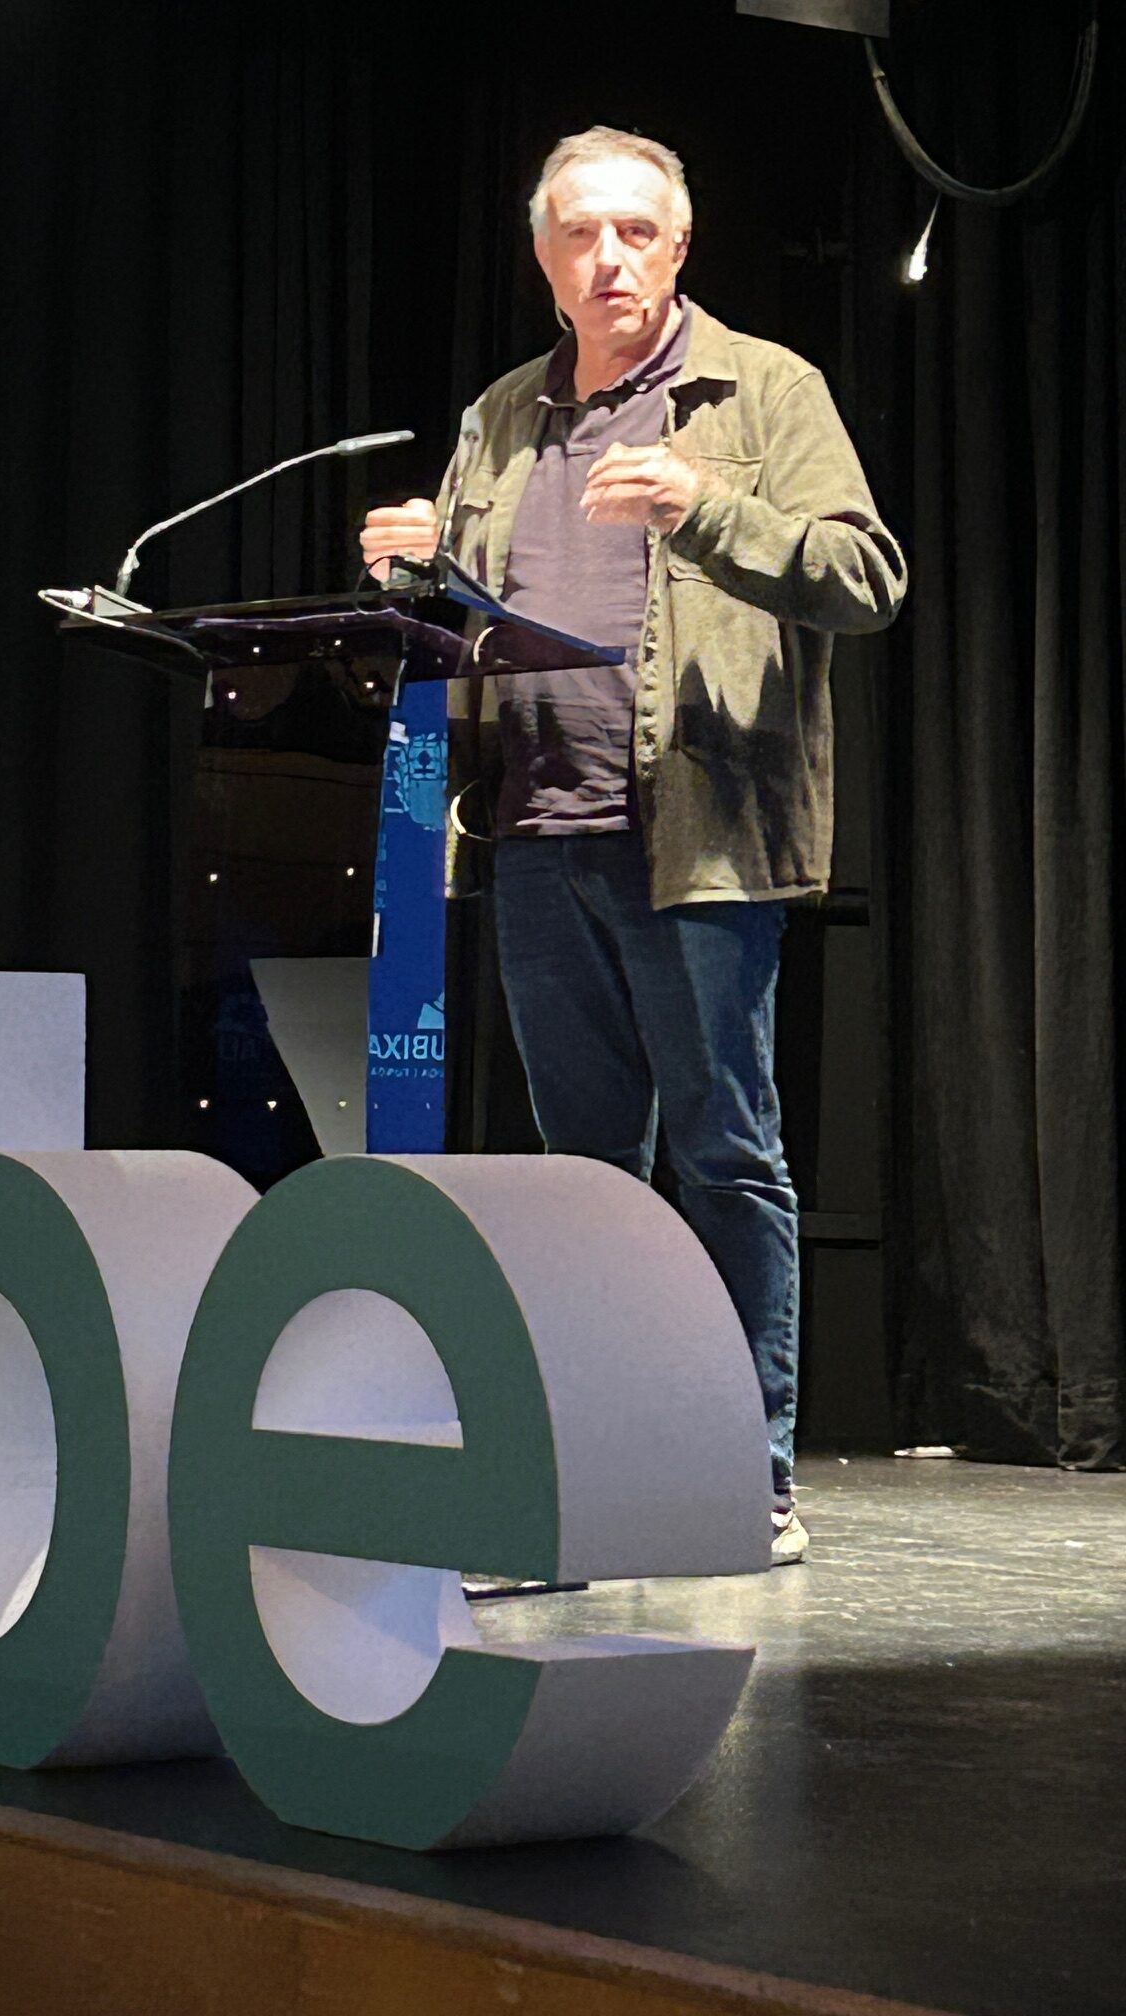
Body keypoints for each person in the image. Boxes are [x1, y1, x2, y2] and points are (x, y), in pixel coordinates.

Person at [360, 126, 906, 1566]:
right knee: (586, 1176)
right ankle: (598, 1467)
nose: (609, 259)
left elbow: (866, 576)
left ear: (679, 247)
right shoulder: (500, 417)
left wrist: (704, 508)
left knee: (726, 1157)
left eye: (636, 233)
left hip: (700, 838)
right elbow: (471, 620)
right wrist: (417, 573)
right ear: (544, 256)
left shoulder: (763, 387)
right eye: (579, 234)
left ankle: (749, 1474)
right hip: (537, 835)